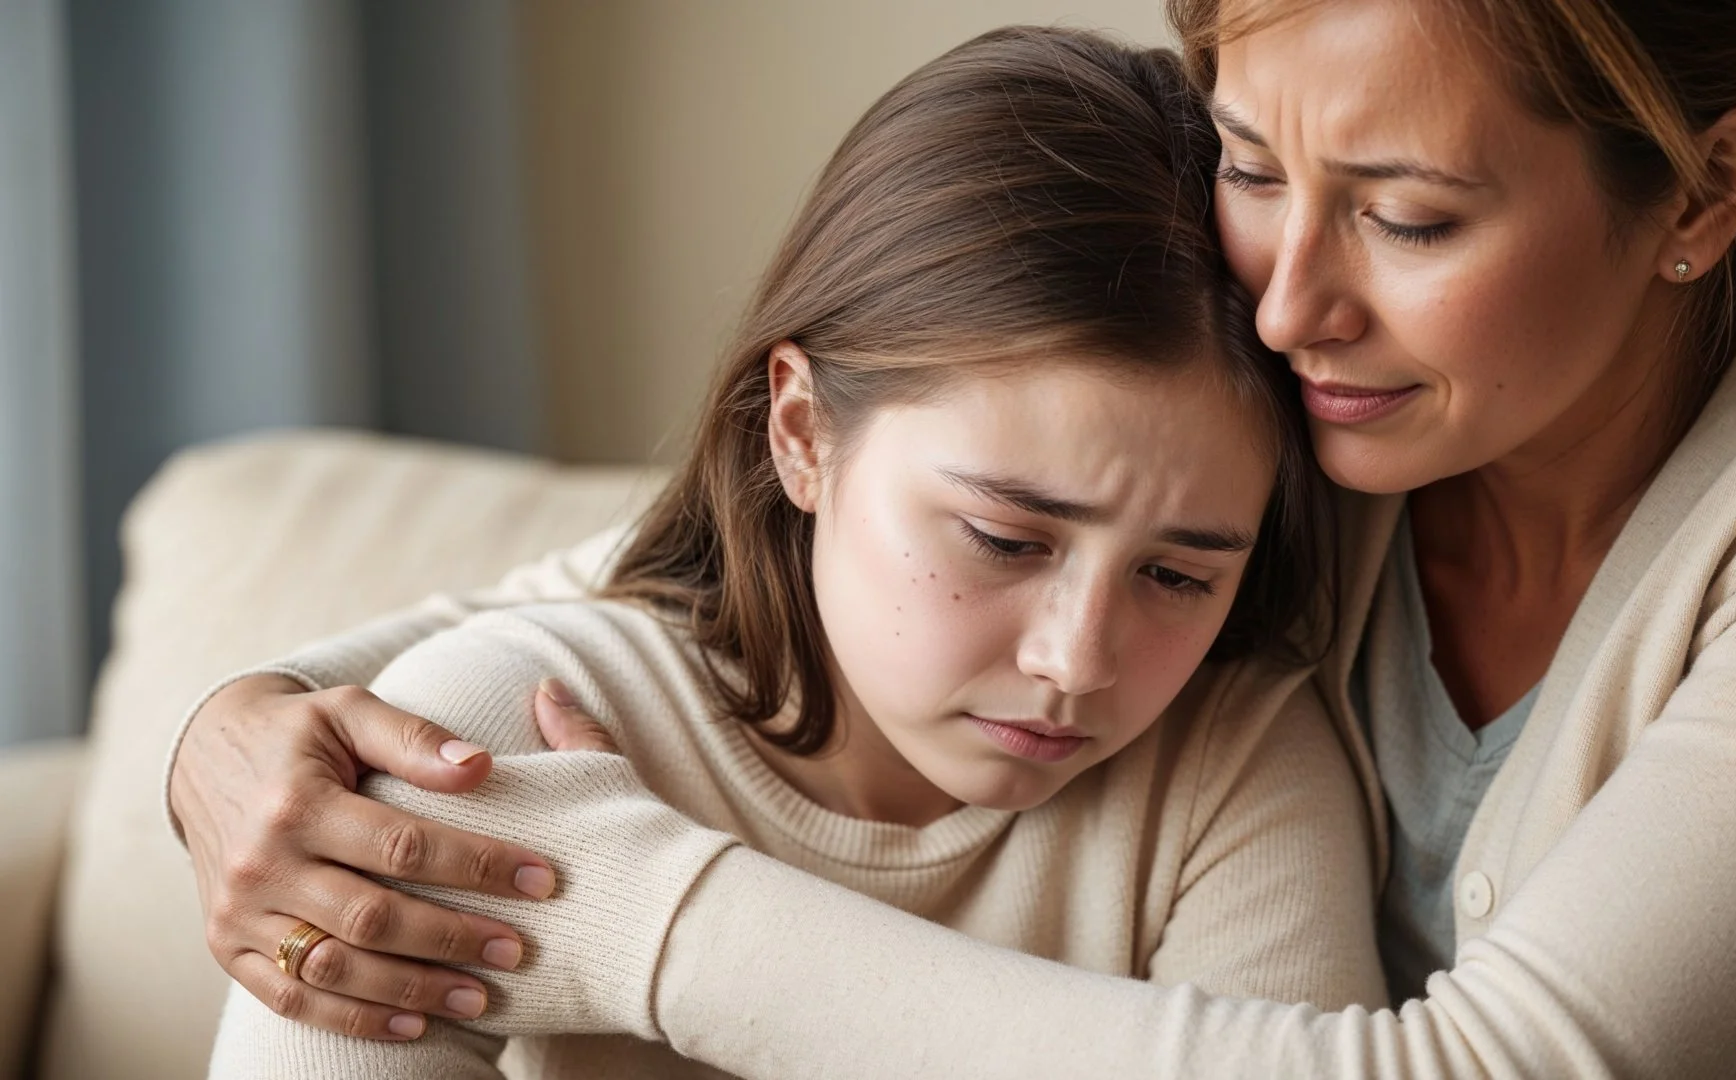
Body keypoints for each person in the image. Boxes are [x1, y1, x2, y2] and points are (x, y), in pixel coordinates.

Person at [170, 0, 1736, 1075]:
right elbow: (713, 571)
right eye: (1248, 164)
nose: (1289, 304)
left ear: (1702, 193)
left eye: (1409, 215)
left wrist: (651, 922)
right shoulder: (1316, 399)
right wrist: (259, 723)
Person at [202, 26, 1385, 1077]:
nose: (1078, 660)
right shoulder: (495, 733)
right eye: (1004, 538)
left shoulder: (1237, 768)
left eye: (1179, 575)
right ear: (804, 434)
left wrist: (661, 924)